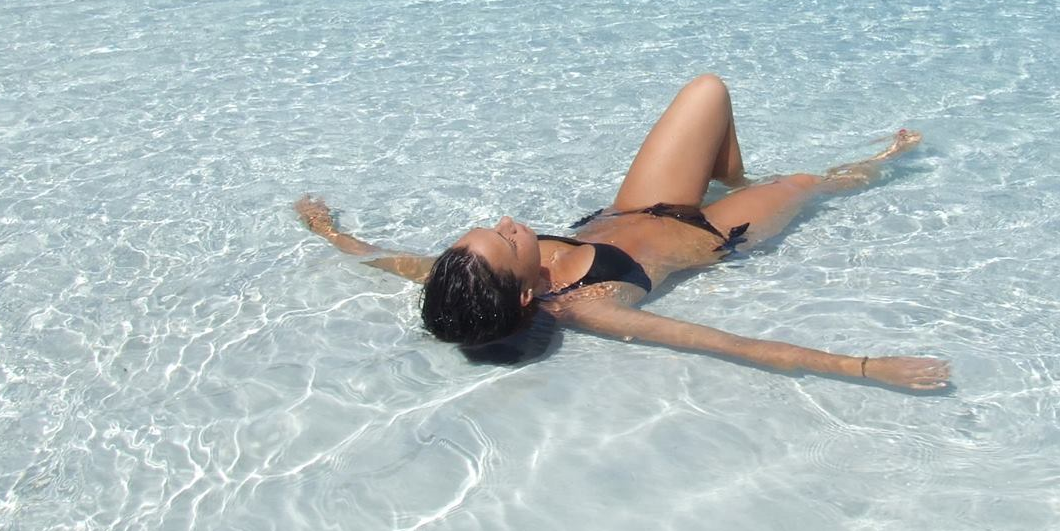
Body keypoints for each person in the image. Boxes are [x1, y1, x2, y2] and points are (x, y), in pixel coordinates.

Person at [294, 74, 950, 391]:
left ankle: (735, 175)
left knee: (708, 92)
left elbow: (379, 257)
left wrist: (327, 230)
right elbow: (733, 345)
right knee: (808, 183)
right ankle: (884, 163)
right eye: (507, 240)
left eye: (491, 228)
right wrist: (869, 368)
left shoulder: (463, 274)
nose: (508, 223)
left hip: (639, 205)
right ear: (523, 294)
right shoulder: (593, 308)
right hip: (714, 232)